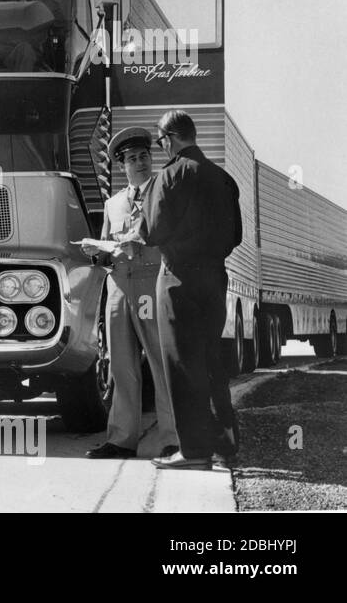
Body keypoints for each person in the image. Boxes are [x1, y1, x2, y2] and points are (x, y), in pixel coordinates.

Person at [136, 110, 243, 470]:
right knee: (212, 359)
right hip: (214, 278)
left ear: (169, 138)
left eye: (160, 141)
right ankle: (226, 441)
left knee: (182, 364)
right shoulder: (224, 180)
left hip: (178, 280)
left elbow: (151, 232)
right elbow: (235, 237)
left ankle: (195, 451)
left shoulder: (166, 178)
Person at [82, 127, 179, 460]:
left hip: (151, 287)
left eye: (143, 156)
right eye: (132, 159)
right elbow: (107, 248)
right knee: (121, 365)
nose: (139, 163)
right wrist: (96, 252)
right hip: (119, 288)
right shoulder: (112, 204)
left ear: (151, 159)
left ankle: (173, 438)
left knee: (160, 361)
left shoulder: (165, 192)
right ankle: (122, 439)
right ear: (122, 166)